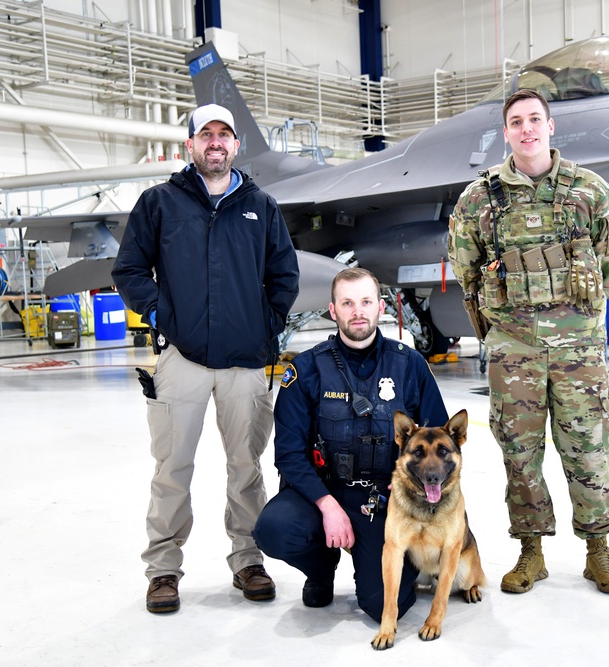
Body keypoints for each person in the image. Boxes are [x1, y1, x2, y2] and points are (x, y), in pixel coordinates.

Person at [112, 103, 299, 613]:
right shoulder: (160, 204)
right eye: (205, 135)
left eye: (224, 135)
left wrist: (267, 325)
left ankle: (248, 560)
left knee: (246, 467)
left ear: (235, 145)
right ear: (189, 146)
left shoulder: (262, 205)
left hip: (246, 363)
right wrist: (160, 316)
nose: (215, 143)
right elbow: (128, 270)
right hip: (183, 360)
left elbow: (284, 277)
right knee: (172, 467)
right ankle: (163, 571)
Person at [447, 89, 609, 595]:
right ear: (505, 133)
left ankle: (598, 553)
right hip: (514, 350)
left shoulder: (589, 191)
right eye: (516, 122)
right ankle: (531, 552)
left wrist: (573, 316)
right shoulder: (478, 200)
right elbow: (466, 267)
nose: (526, 129)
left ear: (550, 127)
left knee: (588, 450)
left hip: (579, 350)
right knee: (519, 452)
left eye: (534, 120)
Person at [253, 268, 448, 622]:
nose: (357, 311)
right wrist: (327, 505)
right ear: (333, 310)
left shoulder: (410, 365)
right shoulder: (306, 369)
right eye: (347, 303)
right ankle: (320, 569)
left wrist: (411, 483)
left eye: (365, 302)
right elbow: (289, 454)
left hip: (383, 498)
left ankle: (404, 566)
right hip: (322, 490)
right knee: (275, 529)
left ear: (381, 307)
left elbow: (439, 441)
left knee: (385, 607)